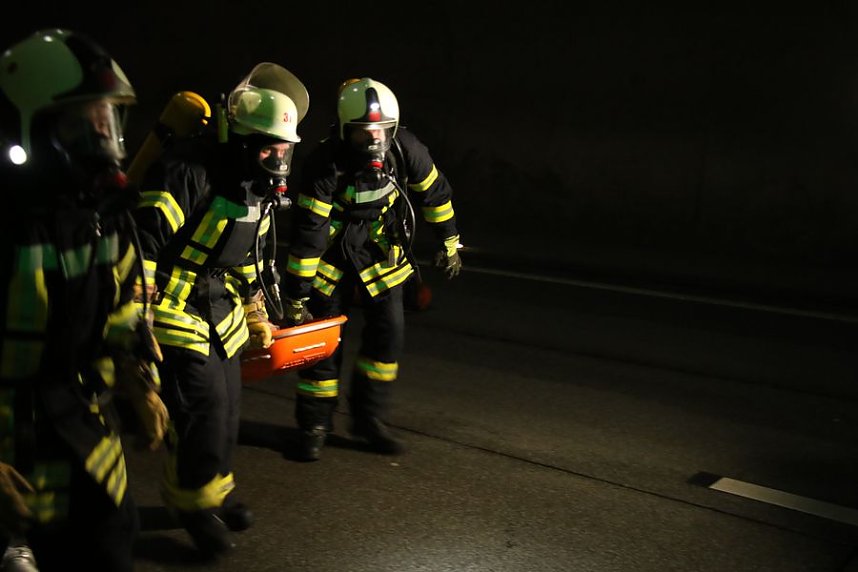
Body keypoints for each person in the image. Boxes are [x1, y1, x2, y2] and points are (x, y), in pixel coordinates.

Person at [0, 29, 169, 572]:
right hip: (14, 481)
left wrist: (136, 378)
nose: (103, 136)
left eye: (107, 119)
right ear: (31, 129)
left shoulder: (100, 217)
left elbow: (122, 310)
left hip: (90, 462)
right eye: (84, 122)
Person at [131, 62, 308, 557]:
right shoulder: (190, 169)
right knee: (203, 412)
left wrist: (255, 309)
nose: (279, 158)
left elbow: (248, 253)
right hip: (172, 304)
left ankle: (212, 492)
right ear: (244, 140)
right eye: (270, 146)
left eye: (286, 147)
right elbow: (144, 242)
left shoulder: (255, 181)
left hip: (219, 303)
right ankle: (190, 506)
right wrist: (136, 321)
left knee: (227, 410)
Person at [282, 77, 463, 462]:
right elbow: (309, 234)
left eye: (382, 131)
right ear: (346, 131)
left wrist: (450, 241)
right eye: (364, 134)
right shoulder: (324, 164)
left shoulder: (406, 149)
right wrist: (297, 294)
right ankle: (315, 425)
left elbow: (435, 194)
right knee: (322, 348)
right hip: (330, 260)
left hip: (381, 253)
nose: (374, 142)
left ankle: (369, 420)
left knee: (388, 337)